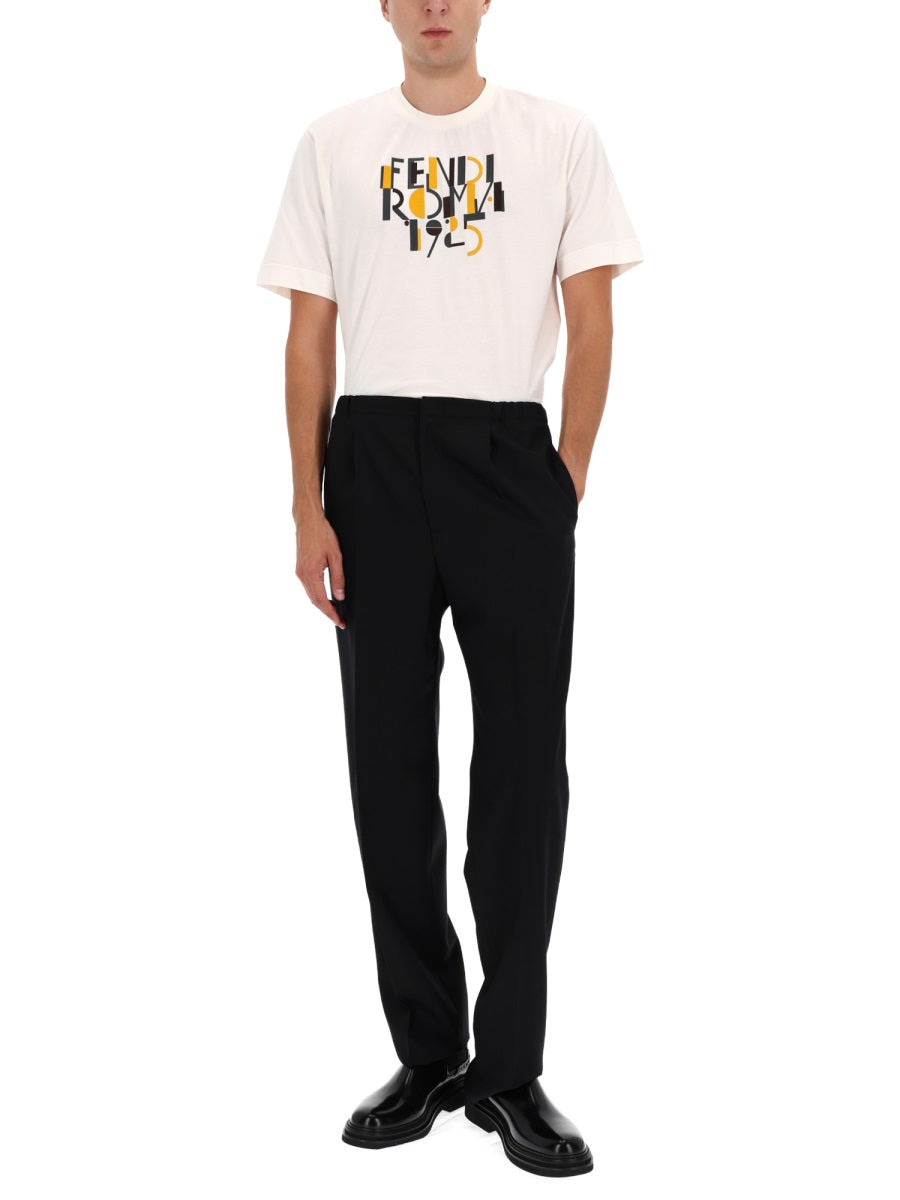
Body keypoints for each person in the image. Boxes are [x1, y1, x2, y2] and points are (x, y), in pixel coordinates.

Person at [256, 0, 643, 1179]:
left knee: (524, 765)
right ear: (383, 4)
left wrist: (563, 478)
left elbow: (591, 319)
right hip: (372, 463)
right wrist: (307, 501)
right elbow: (310, 335)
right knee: (386, 766)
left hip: (507, 461)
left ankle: (509, 1069)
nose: (435, 6)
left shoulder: (558, 135)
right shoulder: (333, 142)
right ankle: (428, 1052)